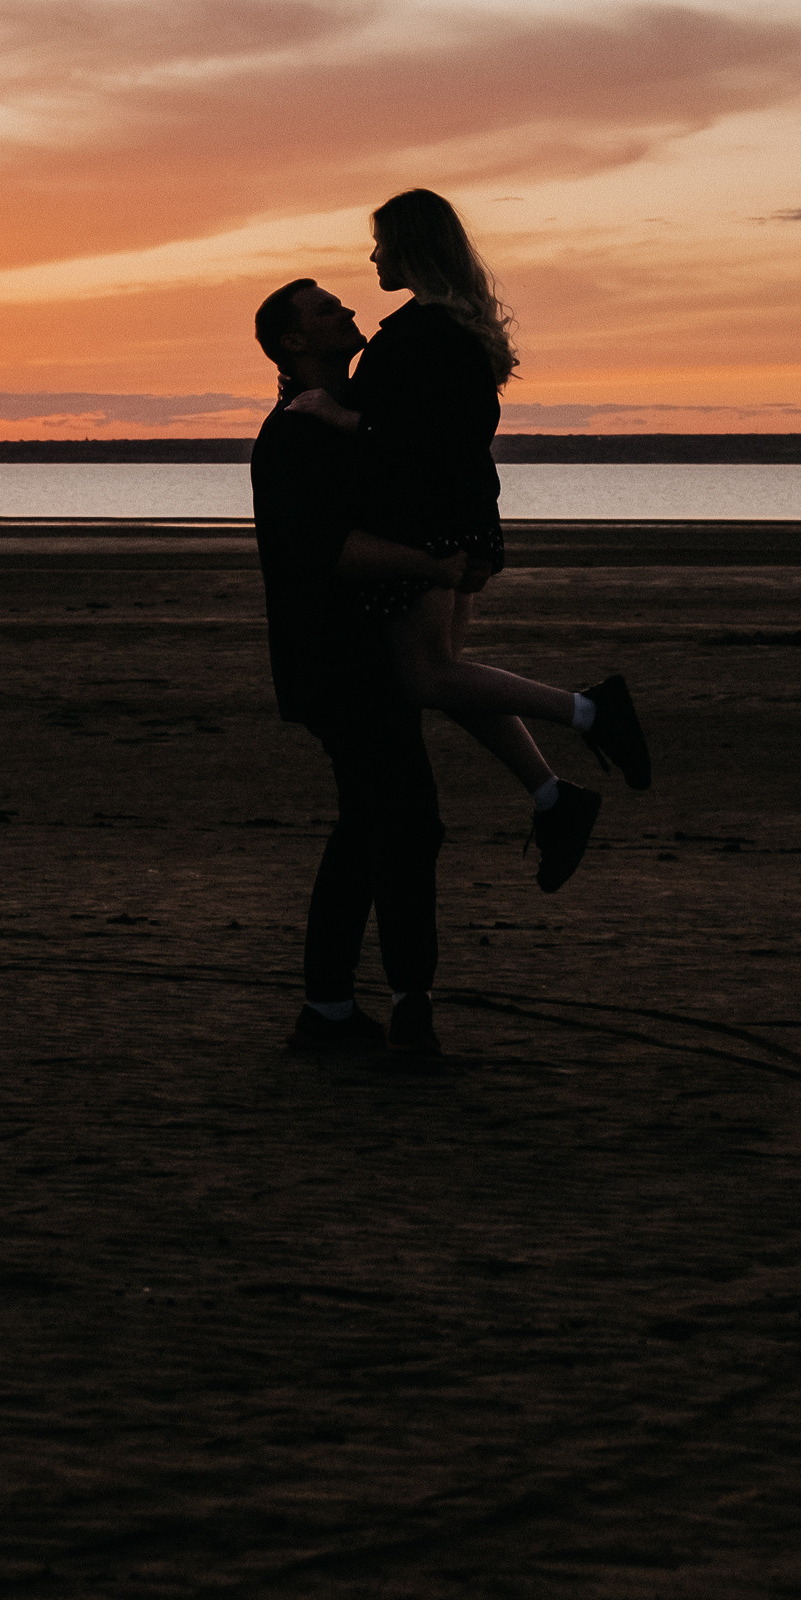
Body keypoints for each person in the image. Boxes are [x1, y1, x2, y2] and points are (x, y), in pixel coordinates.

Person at [286, 187, 652, 896]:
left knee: (424, 677)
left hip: (430, 524)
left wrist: (339, 416)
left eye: (382, 243)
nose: (372, 256)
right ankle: (551, 794)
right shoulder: (445, 330)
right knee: (448, 676)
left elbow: (434, 440)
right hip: (459, 517)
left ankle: (590, 711)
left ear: (413, 247)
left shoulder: (423, 336)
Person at [250, 273, 466, 1065]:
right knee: (403, 823)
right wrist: (431, 565)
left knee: (376, 826)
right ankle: (380, 1007)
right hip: (335, 665)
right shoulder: (295, 433)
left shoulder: (343, 424)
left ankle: (340, 1007)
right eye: (326, 311)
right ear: (293, 343)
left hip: (357, 659)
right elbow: (328, 551)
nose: (348, 311)